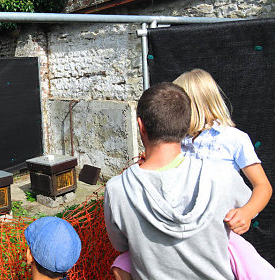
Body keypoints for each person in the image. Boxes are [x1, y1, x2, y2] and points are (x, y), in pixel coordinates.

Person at [104, 82, 254, 279]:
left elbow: (121, 245)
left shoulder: (117, 190)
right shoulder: (223, 174)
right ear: (186, 125)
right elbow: (248, 207)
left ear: (140, 126)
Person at [173, 68, 273, 279]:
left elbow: (263, 186)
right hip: (181, 232)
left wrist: (246, 213)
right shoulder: (175, 141)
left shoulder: (234, 139)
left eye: (178, 105)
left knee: (260, 274)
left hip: (221, 235)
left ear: (195, 105)